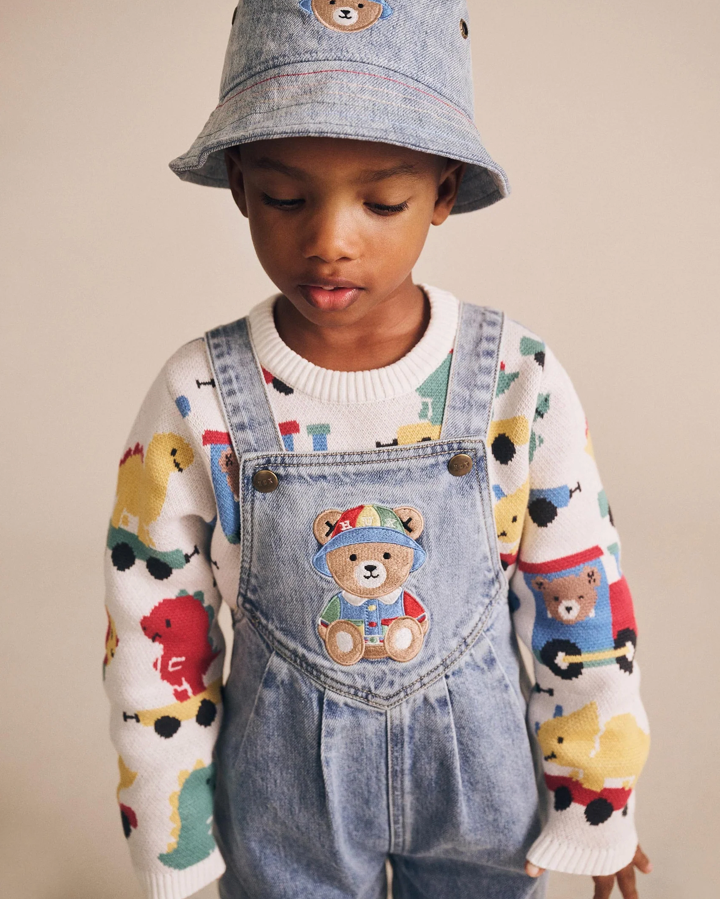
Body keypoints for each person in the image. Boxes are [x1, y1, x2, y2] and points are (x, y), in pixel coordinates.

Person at [102, 2, 651, 898]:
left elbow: (580, 600)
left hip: (484, 793)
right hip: (283, 802)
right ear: (239, 184)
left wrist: (598, 800)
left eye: (383, 200)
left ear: (443, 191)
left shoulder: (518, 379)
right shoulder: (197, 392)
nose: (329, 240)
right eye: (285, 197)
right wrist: (172, 830)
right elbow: (154, 621)